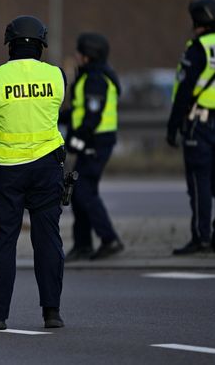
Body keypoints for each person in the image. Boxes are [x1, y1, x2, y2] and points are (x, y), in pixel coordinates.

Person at [0, 15, 66, 331]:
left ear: (10, 46)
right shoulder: (56, 75)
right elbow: (59, 109)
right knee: (48, 240)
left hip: (7, 171)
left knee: (4, 242)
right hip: (46, 167)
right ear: (41, 46)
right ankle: (52, 312)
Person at [167, 0, 215, 255]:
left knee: (199, 183)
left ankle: (201, 238)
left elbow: (184, 90)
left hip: (199, 125)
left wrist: (173, 126)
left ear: (196, 21)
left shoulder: (197, 48)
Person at [62, 33, 124, 261]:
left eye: (79, 52)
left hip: (96, 142)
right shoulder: (91, 75)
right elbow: (81, 111)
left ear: (89, 55)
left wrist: (77, 141)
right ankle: (83, 244)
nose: (76, 56)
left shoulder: (95, 78)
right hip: (93, 141)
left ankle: (110, 240)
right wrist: (59, 116)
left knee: (84, 191)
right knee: (80, 193)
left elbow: (92, 116)